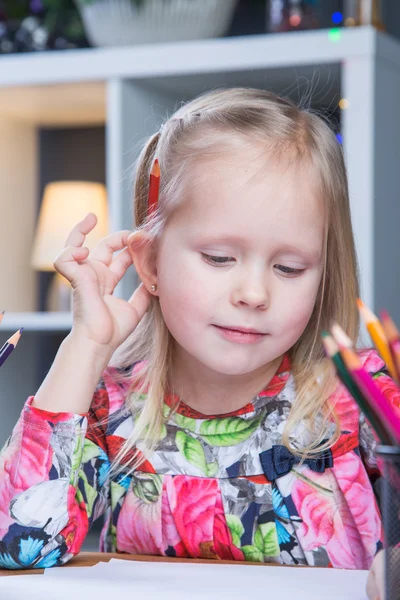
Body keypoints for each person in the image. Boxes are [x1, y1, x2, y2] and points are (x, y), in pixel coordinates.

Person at [0, 88, 396, 598]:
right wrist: (86, 346)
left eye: (289, 267)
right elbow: (16, 542)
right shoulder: (112, 402)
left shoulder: (362, 396)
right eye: (218, 258)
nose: (254, 293)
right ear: (151, 263)